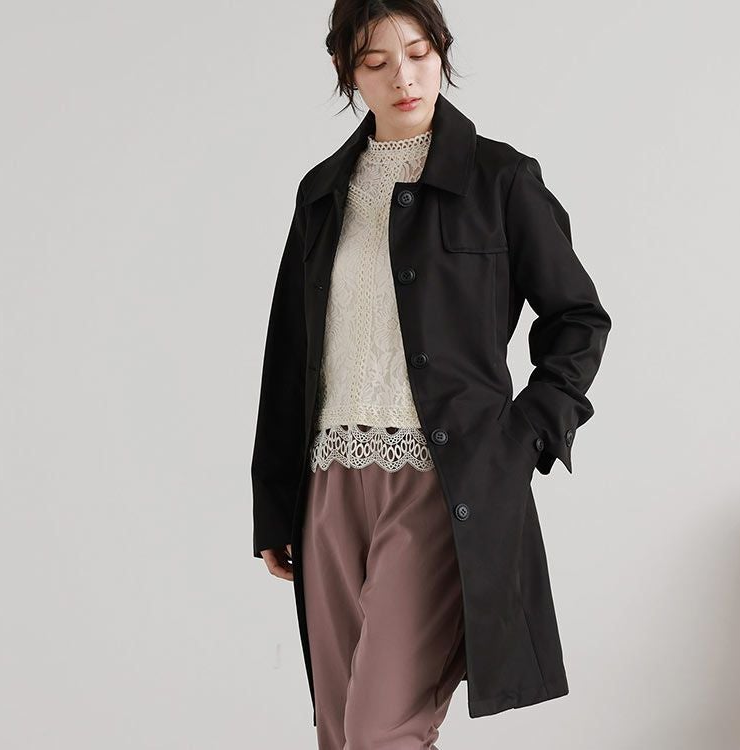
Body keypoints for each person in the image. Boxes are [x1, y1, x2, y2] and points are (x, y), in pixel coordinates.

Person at [252, 1, 612, 747]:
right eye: (376, 63)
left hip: (439, 482)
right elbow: (289, 354)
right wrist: (274, 503)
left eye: (418, 54)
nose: (404, 79)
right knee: (339, 731)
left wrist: (524, 436)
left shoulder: (500, 179)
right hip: (328, 482)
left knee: (381, 731)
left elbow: (578, 318)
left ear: (442, 51)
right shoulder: (323, 192)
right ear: (347, 72)